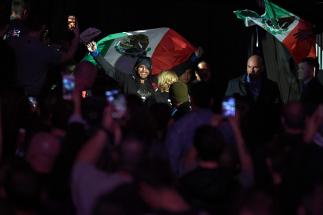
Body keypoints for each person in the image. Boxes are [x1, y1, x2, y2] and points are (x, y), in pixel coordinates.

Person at [86, 41, 157, 102]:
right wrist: (95, 53)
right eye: (141, 67)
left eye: (147, 68)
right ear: (136, 68)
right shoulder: (127, 79)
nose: (144, 70)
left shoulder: (153, 84)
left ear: (150, 69)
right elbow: (110, 70)